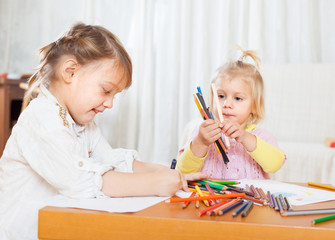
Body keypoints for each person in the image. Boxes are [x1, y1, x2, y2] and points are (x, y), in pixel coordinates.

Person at [0, 23, 207, 239]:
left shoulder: (82, 123)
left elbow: (111, 160)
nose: (110, 104)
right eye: (106, 90)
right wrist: (154, 184)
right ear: (70, 72)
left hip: (58, 229)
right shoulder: (40, 117)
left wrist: (164, 172)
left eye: (114, 95)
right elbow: (80, 180)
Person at [177, 49, 285, 180]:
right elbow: (184, 171)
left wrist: (245, 137)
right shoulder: (202, 134)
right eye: (221, 96)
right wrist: (201, 142)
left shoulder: (262, 137)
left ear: (255, 106)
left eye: (238, 98)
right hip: (210, 198)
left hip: (249, 199)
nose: (227, 104)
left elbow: (275, 165)